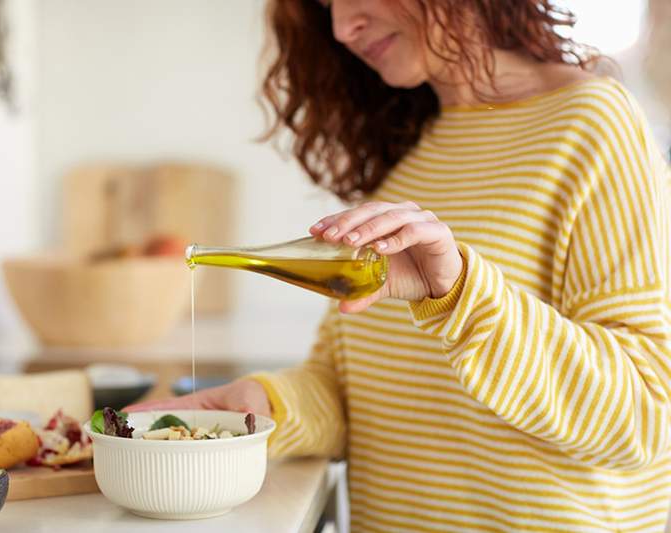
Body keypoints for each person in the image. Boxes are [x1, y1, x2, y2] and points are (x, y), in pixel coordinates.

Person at [127, 0, 671, 530]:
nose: (341, 26)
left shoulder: (594, 127)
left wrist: (461, 291)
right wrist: (264, 405)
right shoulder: (414, 161)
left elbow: (647, 417)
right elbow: (353, 394)